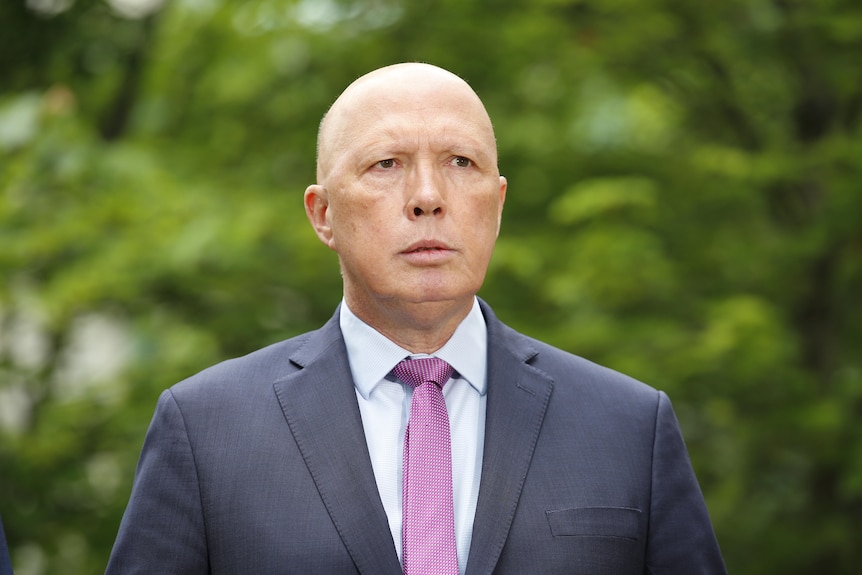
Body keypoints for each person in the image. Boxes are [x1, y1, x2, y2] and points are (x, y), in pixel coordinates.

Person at [106, 63, 726, 574]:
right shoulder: (207, 432)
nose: (429, 196)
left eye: (461, 162)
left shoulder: (628, 427)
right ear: (322, 214)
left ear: (498, 203)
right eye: (387, 164)